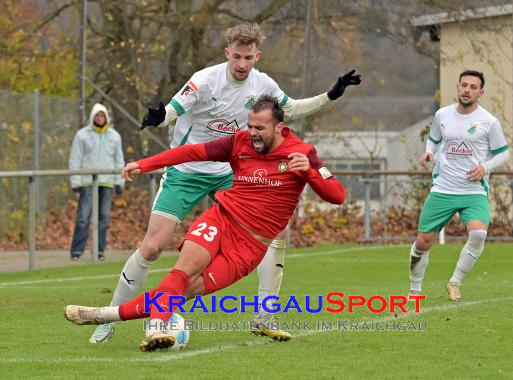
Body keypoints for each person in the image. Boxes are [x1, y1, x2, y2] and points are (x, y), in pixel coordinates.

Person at [89, 23, 360, 343]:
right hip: (188, 171)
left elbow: (291, 109)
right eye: (236, 57)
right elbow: (174, 110)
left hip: (231, 171)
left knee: (277, 230)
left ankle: (264, 315)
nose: (242, 64)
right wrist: (159, 118)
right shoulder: (204, 80)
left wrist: (331, 95)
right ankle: (109, 319)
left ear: (257, 56)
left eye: (248, 57)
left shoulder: (264, 84)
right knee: (152, 246)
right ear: (226, 53)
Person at [65, 95, 346, 352]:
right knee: (183, 271)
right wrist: (146, 164)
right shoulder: (239, 142)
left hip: (249, 248)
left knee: (183, 291)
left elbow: (337, 195)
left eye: (260, 128)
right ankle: (155, 328)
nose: (252, 133)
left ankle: (103, 315)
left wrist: (310, 173)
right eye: (250, 125)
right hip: (221, 220)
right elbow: (191, 152)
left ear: (279, 127)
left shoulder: (302, 153)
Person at [408, 70, 509, 301]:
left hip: (473, 191)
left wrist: (485, 168)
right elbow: (433, 139)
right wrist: (428, 153)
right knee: (423, 242)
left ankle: (454, 282)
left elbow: (503, 153)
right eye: (464, 85)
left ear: (480, 92)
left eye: (473, 87)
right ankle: (415, 289)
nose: (467, 90)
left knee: (478, 235)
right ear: (457, 87)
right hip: (443, 188)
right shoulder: (442, 115)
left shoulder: (489, 122)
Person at [69, 103, 125, 262]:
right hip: (88, 182)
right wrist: (76, 182)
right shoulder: (82, 135)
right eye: (97, 115)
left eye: (102, 116)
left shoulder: (115, 136)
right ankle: (77, 251)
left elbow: (119, 160)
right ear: (93, 117)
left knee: (104, 217)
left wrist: (119, 182)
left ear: (106, 117)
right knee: (83, 217)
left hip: (106, 183)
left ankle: (99, 251)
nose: (100, 118)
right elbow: (75, 159)